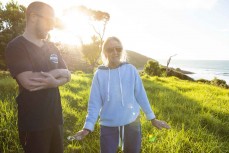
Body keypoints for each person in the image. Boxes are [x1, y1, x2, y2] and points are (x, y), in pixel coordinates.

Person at [73, 36, 170, 153]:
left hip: (132, 123)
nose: (115, 52)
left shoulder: (131, 70)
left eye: (118, 49)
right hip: (108, 125)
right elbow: (94, 103)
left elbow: (141, 95)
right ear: (105, 52)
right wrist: (87, 127)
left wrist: (152, 119)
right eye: (110, 49)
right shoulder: (99, 74)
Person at [5, 1, 71, 153]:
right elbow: (29, 81)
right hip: (33, 123)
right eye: (49, 20)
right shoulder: (16, 46)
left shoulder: (52, 47)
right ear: (33, 17)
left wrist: (56, 80)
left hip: (56, 119)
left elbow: (68, 75)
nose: (52, 26)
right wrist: (58, 75)